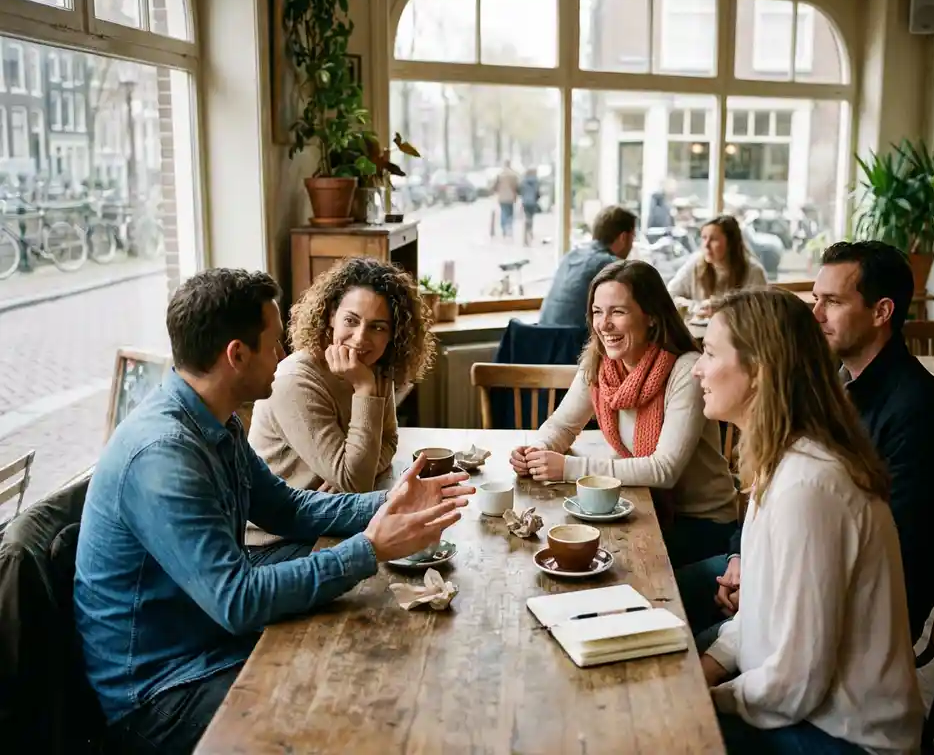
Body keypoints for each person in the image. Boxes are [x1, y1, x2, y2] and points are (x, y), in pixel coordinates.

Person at [74, 269, 473, 754]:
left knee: (376, 657)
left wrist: (390, 502)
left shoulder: (213, 420)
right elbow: (238, 601)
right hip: (162, 689)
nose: (283, 355)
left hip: (208, 641)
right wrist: (368, 548)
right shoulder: (164, 455)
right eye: (271, 344)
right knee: (354, 715)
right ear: (236, 356)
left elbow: (288, 508)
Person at [680, 241, 934, 651]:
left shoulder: (919, 414)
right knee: (660, 598)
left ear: (881, 312)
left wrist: (767, 591)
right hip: (785, 577)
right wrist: (740, 559)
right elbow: (769, 496)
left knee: (675, 642)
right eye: (816, 299)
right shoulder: (834, 383)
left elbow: (900, 561)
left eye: (831, 302)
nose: (815, 315)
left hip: (855, 624)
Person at [695, 288, 923, 754]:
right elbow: (760, 606)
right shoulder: (781, 459)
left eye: (710, 353)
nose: (697, 368)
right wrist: (714, 661)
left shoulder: (808, 486)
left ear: (759, 372)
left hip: (844, 735)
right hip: (804, 707)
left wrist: (704, 700)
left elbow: (798, 682)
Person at [514, 259, 738, 566]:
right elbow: (561, 426)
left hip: (700, 525)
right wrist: (537, 451)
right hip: (640, 506)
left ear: (651, 317)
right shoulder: (599, 363)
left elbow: (664, 470)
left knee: (610, 566)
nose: (603, 324)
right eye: (597, 312)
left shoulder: (685, 369)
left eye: (617, 312)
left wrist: (566, 467)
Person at [249, 258, 435, 495]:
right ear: (331, 316)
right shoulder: (295, 381)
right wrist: (365, 389)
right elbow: (356, 483)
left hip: (334, 512)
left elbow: (387, 442)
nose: (360, 339)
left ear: (393, 334)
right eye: (351, 320)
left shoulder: (375, 366)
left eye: (378, 327)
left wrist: (352, 476)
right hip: (287, 529)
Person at [538, 205, 637, 328]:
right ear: (623, 238)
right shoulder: (612, 266)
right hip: (575, 343)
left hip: (541, 341)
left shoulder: (570, 257)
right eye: (633, 237)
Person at [667, 215, 767, 317]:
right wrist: (695, 307)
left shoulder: (754, 271)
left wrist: (723, 311)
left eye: (713, 239)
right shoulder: (695, 263)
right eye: (704, 238)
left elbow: (760, 312)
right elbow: (669, 295)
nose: (706, 245)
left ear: (730, 243)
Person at [495, 160, 519, 238]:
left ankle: (504, 227)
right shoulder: (513, 175)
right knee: (510, 213)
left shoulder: (500, 174)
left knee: (503, 212)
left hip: (502, 197)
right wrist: (515, 195)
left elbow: (495, 185)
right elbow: (515, 186)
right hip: (510, 196)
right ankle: (509, 227)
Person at [520, 167, 541, 245]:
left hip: (525, 201)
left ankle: (525, 236)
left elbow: (521, 191)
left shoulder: (524, 181)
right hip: (532, 202)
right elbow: (537, 192)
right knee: (531, 218)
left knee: (526, 217)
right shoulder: (536, 181)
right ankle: (530, 231)